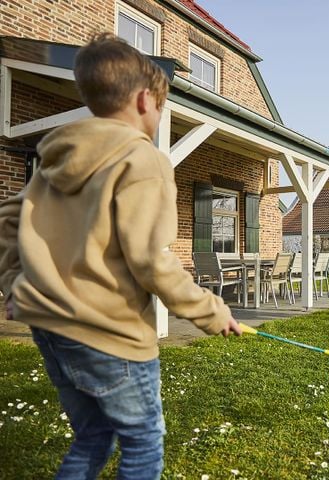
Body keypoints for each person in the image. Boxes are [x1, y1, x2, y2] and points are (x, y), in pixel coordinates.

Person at [0, 33, 241, 479]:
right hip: (109, 332)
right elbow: (151, 259)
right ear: (146, 100)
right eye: (163, 106)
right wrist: (211, 311)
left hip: (49, 327)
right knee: (142, 442)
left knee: (91, 436)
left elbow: (8, 220)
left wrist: (14, 283)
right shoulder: (142, 160)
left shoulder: (57, 155)